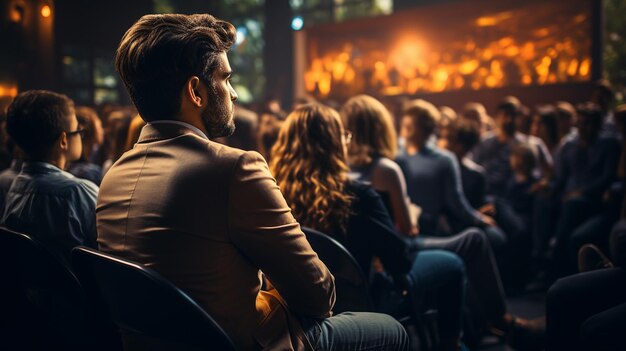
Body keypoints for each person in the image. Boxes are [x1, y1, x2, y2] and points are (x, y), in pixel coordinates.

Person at [97, 13, 408, 351]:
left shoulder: (113, 178)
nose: (232, 94)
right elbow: (317, 296)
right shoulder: (235, 169)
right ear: (196, 91)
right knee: (392, 330)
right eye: (226, 79)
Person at [341, 95, 542, 348]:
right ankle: (495, 324)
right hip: (395, 253)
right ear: (381, 127)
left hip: (355, 270)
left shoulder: (340, 170)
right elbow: (407, 229)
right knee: (474, 241)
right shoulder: (387, 169)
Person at [271, 102, 466, 351]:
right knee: (454, 264)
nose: (347, 141)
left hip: (302, 306)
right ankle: (451, 344)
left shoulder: (276, 196)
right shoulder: (357, 195)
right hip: (365, 298)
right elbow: (400, 262)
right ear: (333, 144)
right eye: (343, 135)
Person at [1, 90, 98, 261]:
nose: (80, 135)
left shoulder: (12, 185)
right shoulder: (78, 193)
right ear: (63, 140)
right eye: (78, 131)